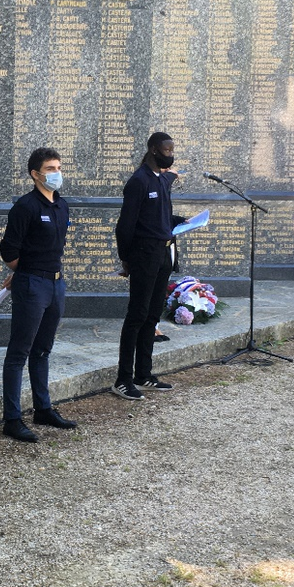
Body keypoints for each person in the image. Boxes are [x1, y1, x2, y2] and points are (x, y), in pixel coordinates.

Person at [0, 147, 77, 443]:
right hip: (33, 285)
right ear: (35, 174)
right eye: (50, 168)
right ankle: (13, 418)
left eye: (59, 167)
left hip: (56, 284)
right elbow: (9, 249)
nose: (56, 173)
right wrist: (24, 272)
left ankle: (43, 408)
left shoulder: (61, 205)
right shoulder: (26, 206)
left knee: (43, 349)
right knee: (19, 352)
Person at [113, 132, 182, 400]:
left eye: (172, 149)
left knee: (153, 315)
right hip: (144, 255)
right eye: (166, 150)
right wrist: (126, 259)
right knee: (137, 316)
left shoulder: (160, 180)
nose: (170, 154)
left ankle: (144, 374)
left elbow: (159, 212)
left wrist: (183, 220)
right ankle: (123, 379)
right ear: (153, 150)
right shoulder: (139, 182)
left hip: (164, 255)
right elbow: (125, 226)